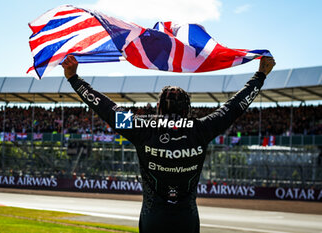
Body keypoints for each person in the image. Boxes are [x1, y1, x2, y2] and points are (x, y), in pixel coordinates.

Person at [62, 55, 275, 233]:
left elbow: (106, 109)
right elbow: (233, 108)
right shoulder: (201, 128)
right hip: (187, 220)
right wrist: (260, 76)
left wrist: (74, 79)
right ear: (187, 108)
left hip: (153, 219)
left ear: (159, 107)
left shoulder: (141, 126)